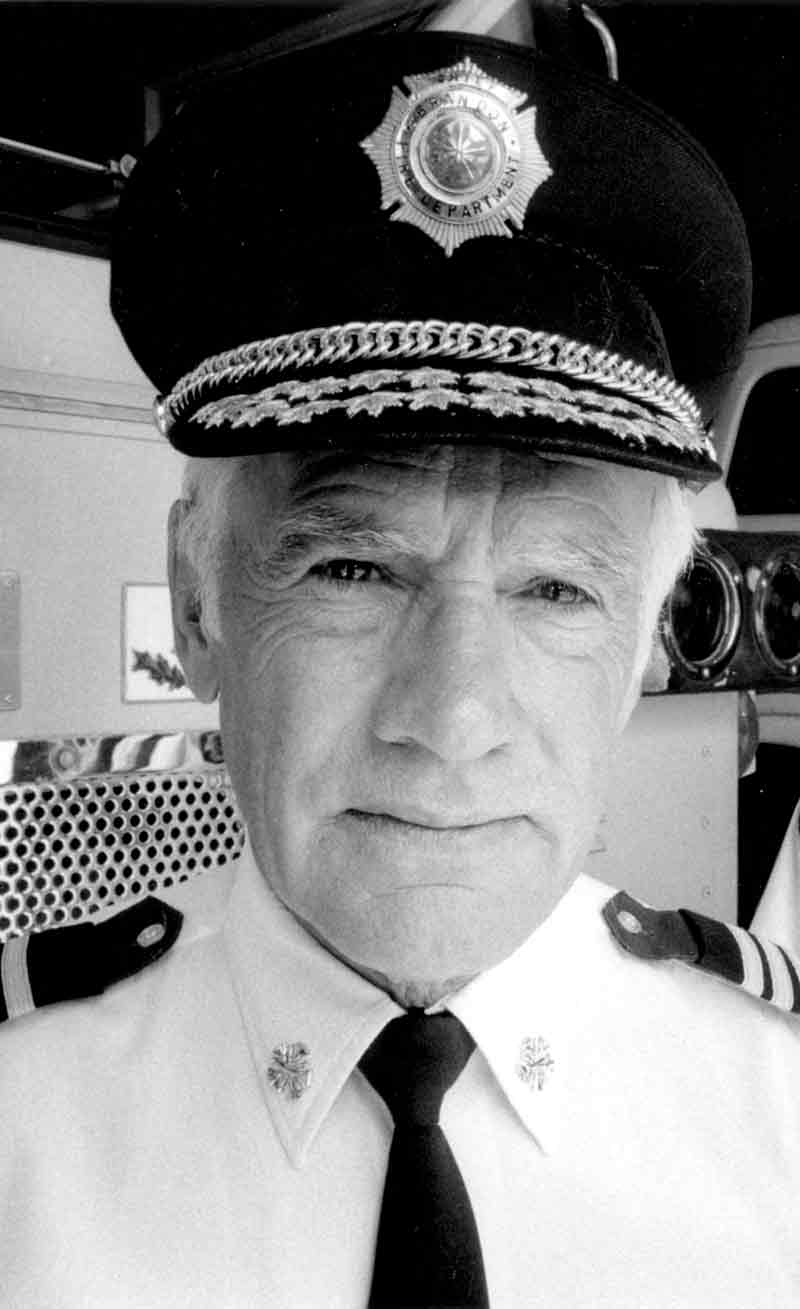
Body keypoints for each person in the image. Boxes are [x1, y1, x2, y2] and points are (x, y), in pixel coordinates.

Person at [2, 6, 799, 1307]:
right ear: (200, 606)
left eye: (555, 588)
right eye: (353, 570)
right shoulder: (21, 1120)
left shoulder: (780, 1109)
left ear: (644, 648)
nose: (453, 712)